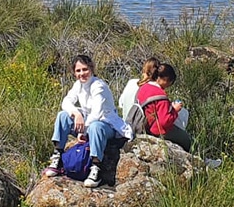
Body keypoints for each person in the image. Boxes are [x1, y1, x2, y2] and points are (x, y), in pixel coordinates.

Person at [43, 54, 133, 188]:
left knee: (95, 126)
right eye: (78, 71)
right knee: (63, 116)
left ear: (91, 68)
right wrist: (76, 113)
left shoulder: (98, 86)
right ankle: (58, 155)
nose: (82, 74)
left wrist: (83, 131)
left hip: (106, 125)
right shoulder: (78, 85)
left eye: (84, 69)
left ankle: (96, 167)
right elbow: (66, 101)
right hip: (87, 122)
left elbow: (97, 112)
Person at [137, 62, 192, 152]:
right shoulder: (160, 95)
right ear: (166, 80)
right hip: (156, 130)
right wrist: (174, 110)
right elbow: (164, 122)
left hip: (144, 125)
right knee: (186, 140)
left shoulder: (144, 87)